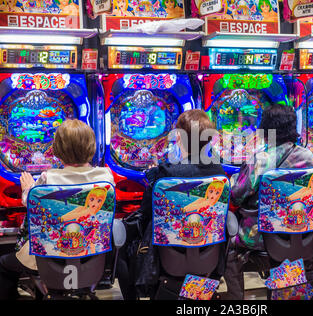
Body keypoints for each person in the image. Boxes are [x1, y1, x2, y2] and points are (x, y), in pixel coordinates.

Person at [116, 110, 226, 300]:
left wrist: (152, 180)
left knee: (123, 243)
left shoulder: (166, 173)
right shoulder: (219, 172)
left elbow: (145, 215)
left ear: (180, 137)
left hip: (166, 255)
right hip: (207, 252)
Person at [0, 119, 114, 300]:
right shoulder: (106, 176)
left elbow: (30, 203)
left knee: (4, 264)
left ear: (57, 149)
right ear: (92, 145)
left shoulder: (48, 178)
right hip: (92, 255)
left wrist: (27, 188)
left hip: (50, 256)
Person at [226, 103, 313, 300]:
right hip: (299, 231)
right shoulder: (308, 156)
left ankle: (236, 302)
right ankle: (288, 295)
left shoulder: (262, 158)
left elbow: (237, 195)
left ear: (265, 129)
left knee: (229, 247)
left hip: (260, 236)